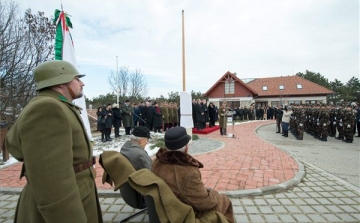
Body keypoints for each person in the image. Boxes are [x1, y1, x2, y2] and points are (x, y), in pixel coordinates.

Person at [5, 60, 103, 223]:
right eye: (77, 79)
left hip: (79, 192)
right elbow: (52, 180)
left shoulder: (56, 105)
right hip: (64, 205)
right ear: (60, 82)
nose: (82, 83)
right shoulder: (47, 108)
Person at [152, 126, 234, 223]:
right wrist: (214, 194)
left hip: (166, 205)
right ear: (186, 147)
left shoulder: (156, 161)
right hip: (181, 212)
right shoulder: (187, 173)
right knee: (224, 200)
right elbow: (205, 203)